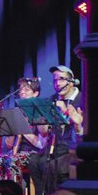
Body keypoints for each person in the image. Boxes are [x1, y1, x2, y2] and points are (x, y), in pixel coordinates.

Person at [28, 65, 84, 194]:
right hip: (56, 147)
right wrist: (39, 118)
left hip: (73, 148)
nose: (57, 83)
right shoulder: (51, 100)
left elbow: (82, 130)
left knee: (52, 166)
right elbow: (44, 132)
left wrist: (66, 113)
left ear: (72, 81)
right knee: (34, 161)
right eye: (55, 80)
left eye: (61, 79)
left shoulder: (83, 99)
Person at [0, 78, 47, 184]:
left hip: (34, 153)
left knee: (11, 161)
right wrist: (13, 129)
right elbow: (9, 145)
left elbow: (42, 144)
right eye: (21, 89)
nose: (22, 92)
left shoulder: (40, 112)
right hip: (17, 152)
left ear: (36, 93)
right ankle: (3, 190)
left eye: (26, 90)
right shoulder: (17, 111)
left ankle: (16, 190)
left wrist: (23, 128)